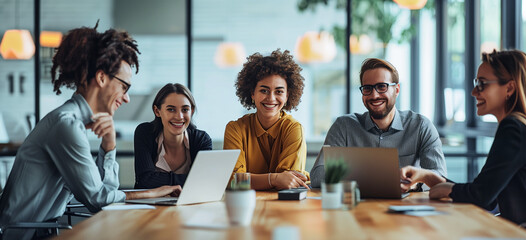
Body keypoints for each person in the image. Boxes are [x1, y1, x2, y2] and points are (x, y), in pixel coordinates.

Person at [0, 25, 181, 239]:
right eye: (125, 87)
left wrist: (109, 145)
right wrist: (154, 192)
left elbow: (104, 192)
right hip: (22, 235)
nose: (127, 97)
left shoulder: (75, 123)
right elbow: (98, 200)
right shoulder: (66, 125)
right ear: (102, 78)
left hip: (42, 230)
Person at [401, 50, 526, 227]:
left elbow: (481, 196)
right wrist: (426, 176)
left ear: (509, 88)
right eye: (476, 83)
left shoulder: (514, 128)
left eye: (482, 84)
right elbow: (487, 195)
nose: (474, 92)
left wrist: (447, 189)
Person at [310, 58, 447, 188]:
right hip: (355, 208)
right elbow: (317, 177)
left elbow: (440, 178)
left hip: (405, 208)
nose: (374, 95)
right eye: (367, 88)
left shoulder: (421, 126)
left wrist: (415, 182)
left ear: (397, 90)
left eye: (382, 87)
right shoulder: (343, 127)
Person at [223, 49, 309, 190]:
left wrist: (249, 179)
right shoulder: (235, 129)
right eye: (264, 90)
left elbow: (289, 182)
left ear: (287, 95)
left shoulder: (294, 129)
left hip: (283, 206)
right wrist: (274, 178)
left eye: (279, 91)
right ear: (252, 93)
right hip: (243, 203)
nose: (271, 98)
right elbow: (233, 180)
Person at [134, 83, 212, 189]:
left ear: (192, 111)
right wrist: (189, 180)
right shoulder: (145, 133)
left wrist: (158, 179)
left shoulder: (201, 140)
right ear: (157, 111)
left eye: (185, 110)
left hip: (189, 204)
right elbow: (144, 180)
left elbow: (206, 181)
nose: (179, 117)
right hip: (149, 204)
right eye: (171, 109)